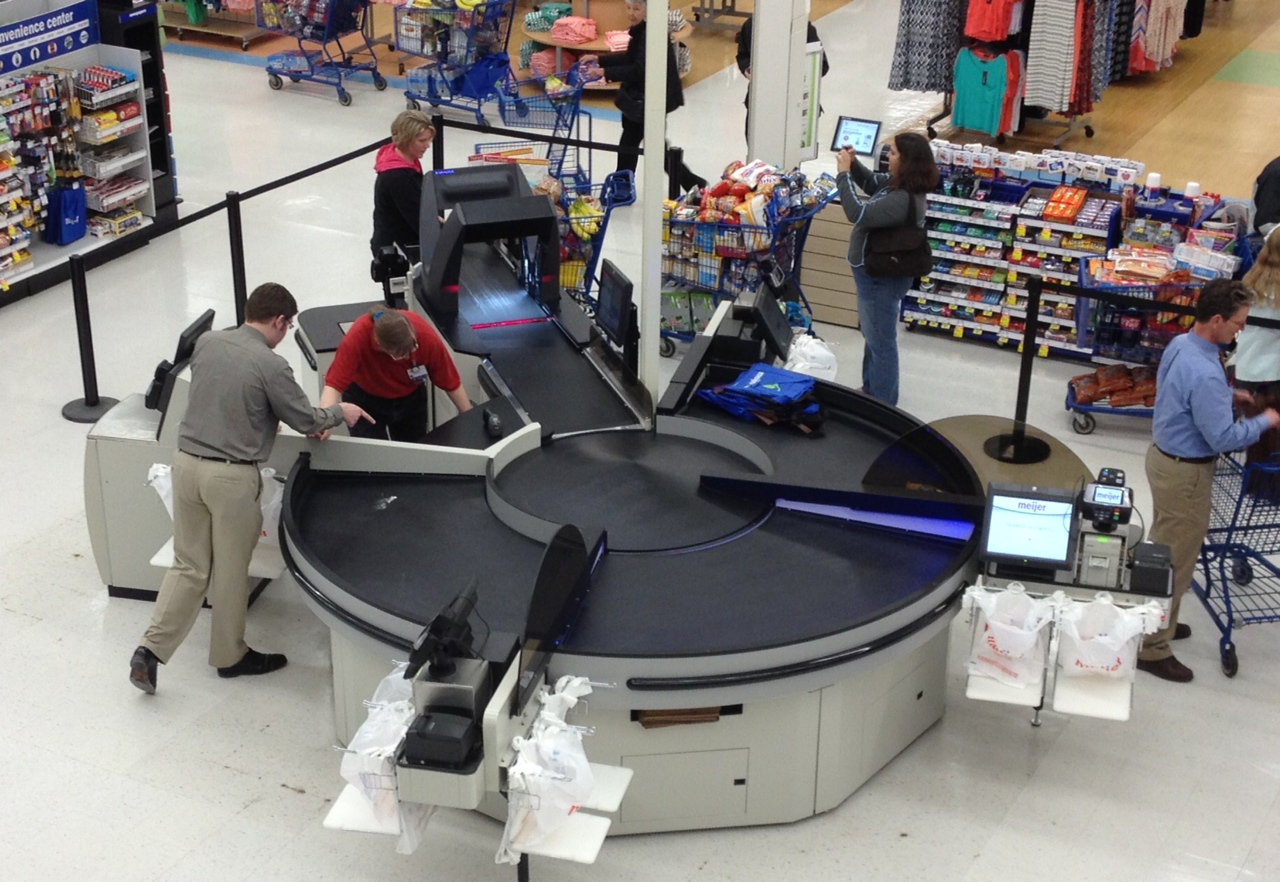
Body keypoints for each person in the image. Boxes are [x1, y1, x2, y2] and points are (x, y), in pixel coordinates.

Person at [129, 283, 375, 694]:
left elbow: (224, 395)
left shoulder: (208, 342)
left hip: (186, 466)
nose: (285, 335)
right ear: (278, 321)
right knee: (228, 570)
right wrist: (338, 412)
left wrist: (260, 417)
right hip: (230, 479)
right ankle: (229, 656)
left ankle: (148, 652)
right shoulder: (271, 365)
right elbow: (305, 419)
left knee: (188, 565)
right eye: (288, 326)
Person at [1141, 279, 1280, 683]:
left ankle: (1162, 621)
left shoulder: (1185, 345)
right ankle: (1152, 647)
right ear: (1217, 319)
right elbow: (1222, 438)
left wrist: (1225, 397)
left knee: (1166, 548)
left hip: (1164, 459)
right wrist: (1265, 420)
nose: (1242, 329)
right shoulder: (1204, 370)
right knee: (1175, 562)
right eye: (1238, 323)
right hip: (1186, 474)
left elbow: (1184, 395)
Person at [835, 131, 939, 406]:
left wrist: (843, 174)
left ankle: (882, 404)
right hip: (874, 273)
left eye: (892, 153)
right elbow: (870, 182)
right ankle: (871, 389)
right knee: (873, 334)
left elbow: (856, 213)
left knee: (881, 342)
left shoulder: (902, 198)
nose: (887, 156)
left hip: (881, 278)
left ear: (906, 161)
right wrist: (854, 165)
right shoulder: (898, 184)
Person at [580, 0, 706, 193]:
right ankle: (691, 183)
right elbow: (630, 58)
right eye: (629, 8)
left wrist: (605, 72)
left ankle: (624, 189)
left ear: (648, 11)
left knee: (642, 146)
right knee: (642, 146)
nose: (631, 13)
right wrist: (599, 59)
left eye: (636, 9)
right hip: (642, 97)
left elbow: (639, 70)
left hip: (649, 99)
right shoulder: (642, 30)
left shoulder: (652, 34)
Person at [320, 307, 472, 443]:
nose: (408, 357)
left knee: (414, 455)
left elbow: (450, 380)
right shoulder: (358, 337)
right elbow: (334, 384)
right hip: (365, 400)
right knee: (373, 459)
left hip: (410, 400)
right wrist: (326, 421)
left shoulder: (425, 336)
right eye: (400, 355)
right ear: (379, 345)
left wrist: (470, 418)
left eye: (412, 349)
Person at [1234, 230, 1280, 493]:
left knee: (1259, 436)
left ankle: (1256, 486)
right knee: (1274, 441)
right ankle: (1271, 491)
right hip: (1273, 374)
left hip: (1247, 369)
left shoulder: (1250, 283)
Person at [736, 14, 829, 142]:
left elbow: (822, 65)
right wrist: (748, 69)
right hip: (760, 103)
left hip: (794, 104)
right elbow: (743, 56)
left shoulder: (802, 28)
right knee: (757, 149)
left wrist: (796, 73)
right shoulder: (751, 25)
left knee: (791, 153)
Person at [370, 110, 434, 260]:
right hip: (396, 253)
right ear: (406, 139)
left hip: (399, 239)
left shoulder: (402, 158)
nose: (428, 145)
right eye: (422, 140)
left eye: (428, 140)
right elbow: (419, 222)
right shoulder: (398, 176)